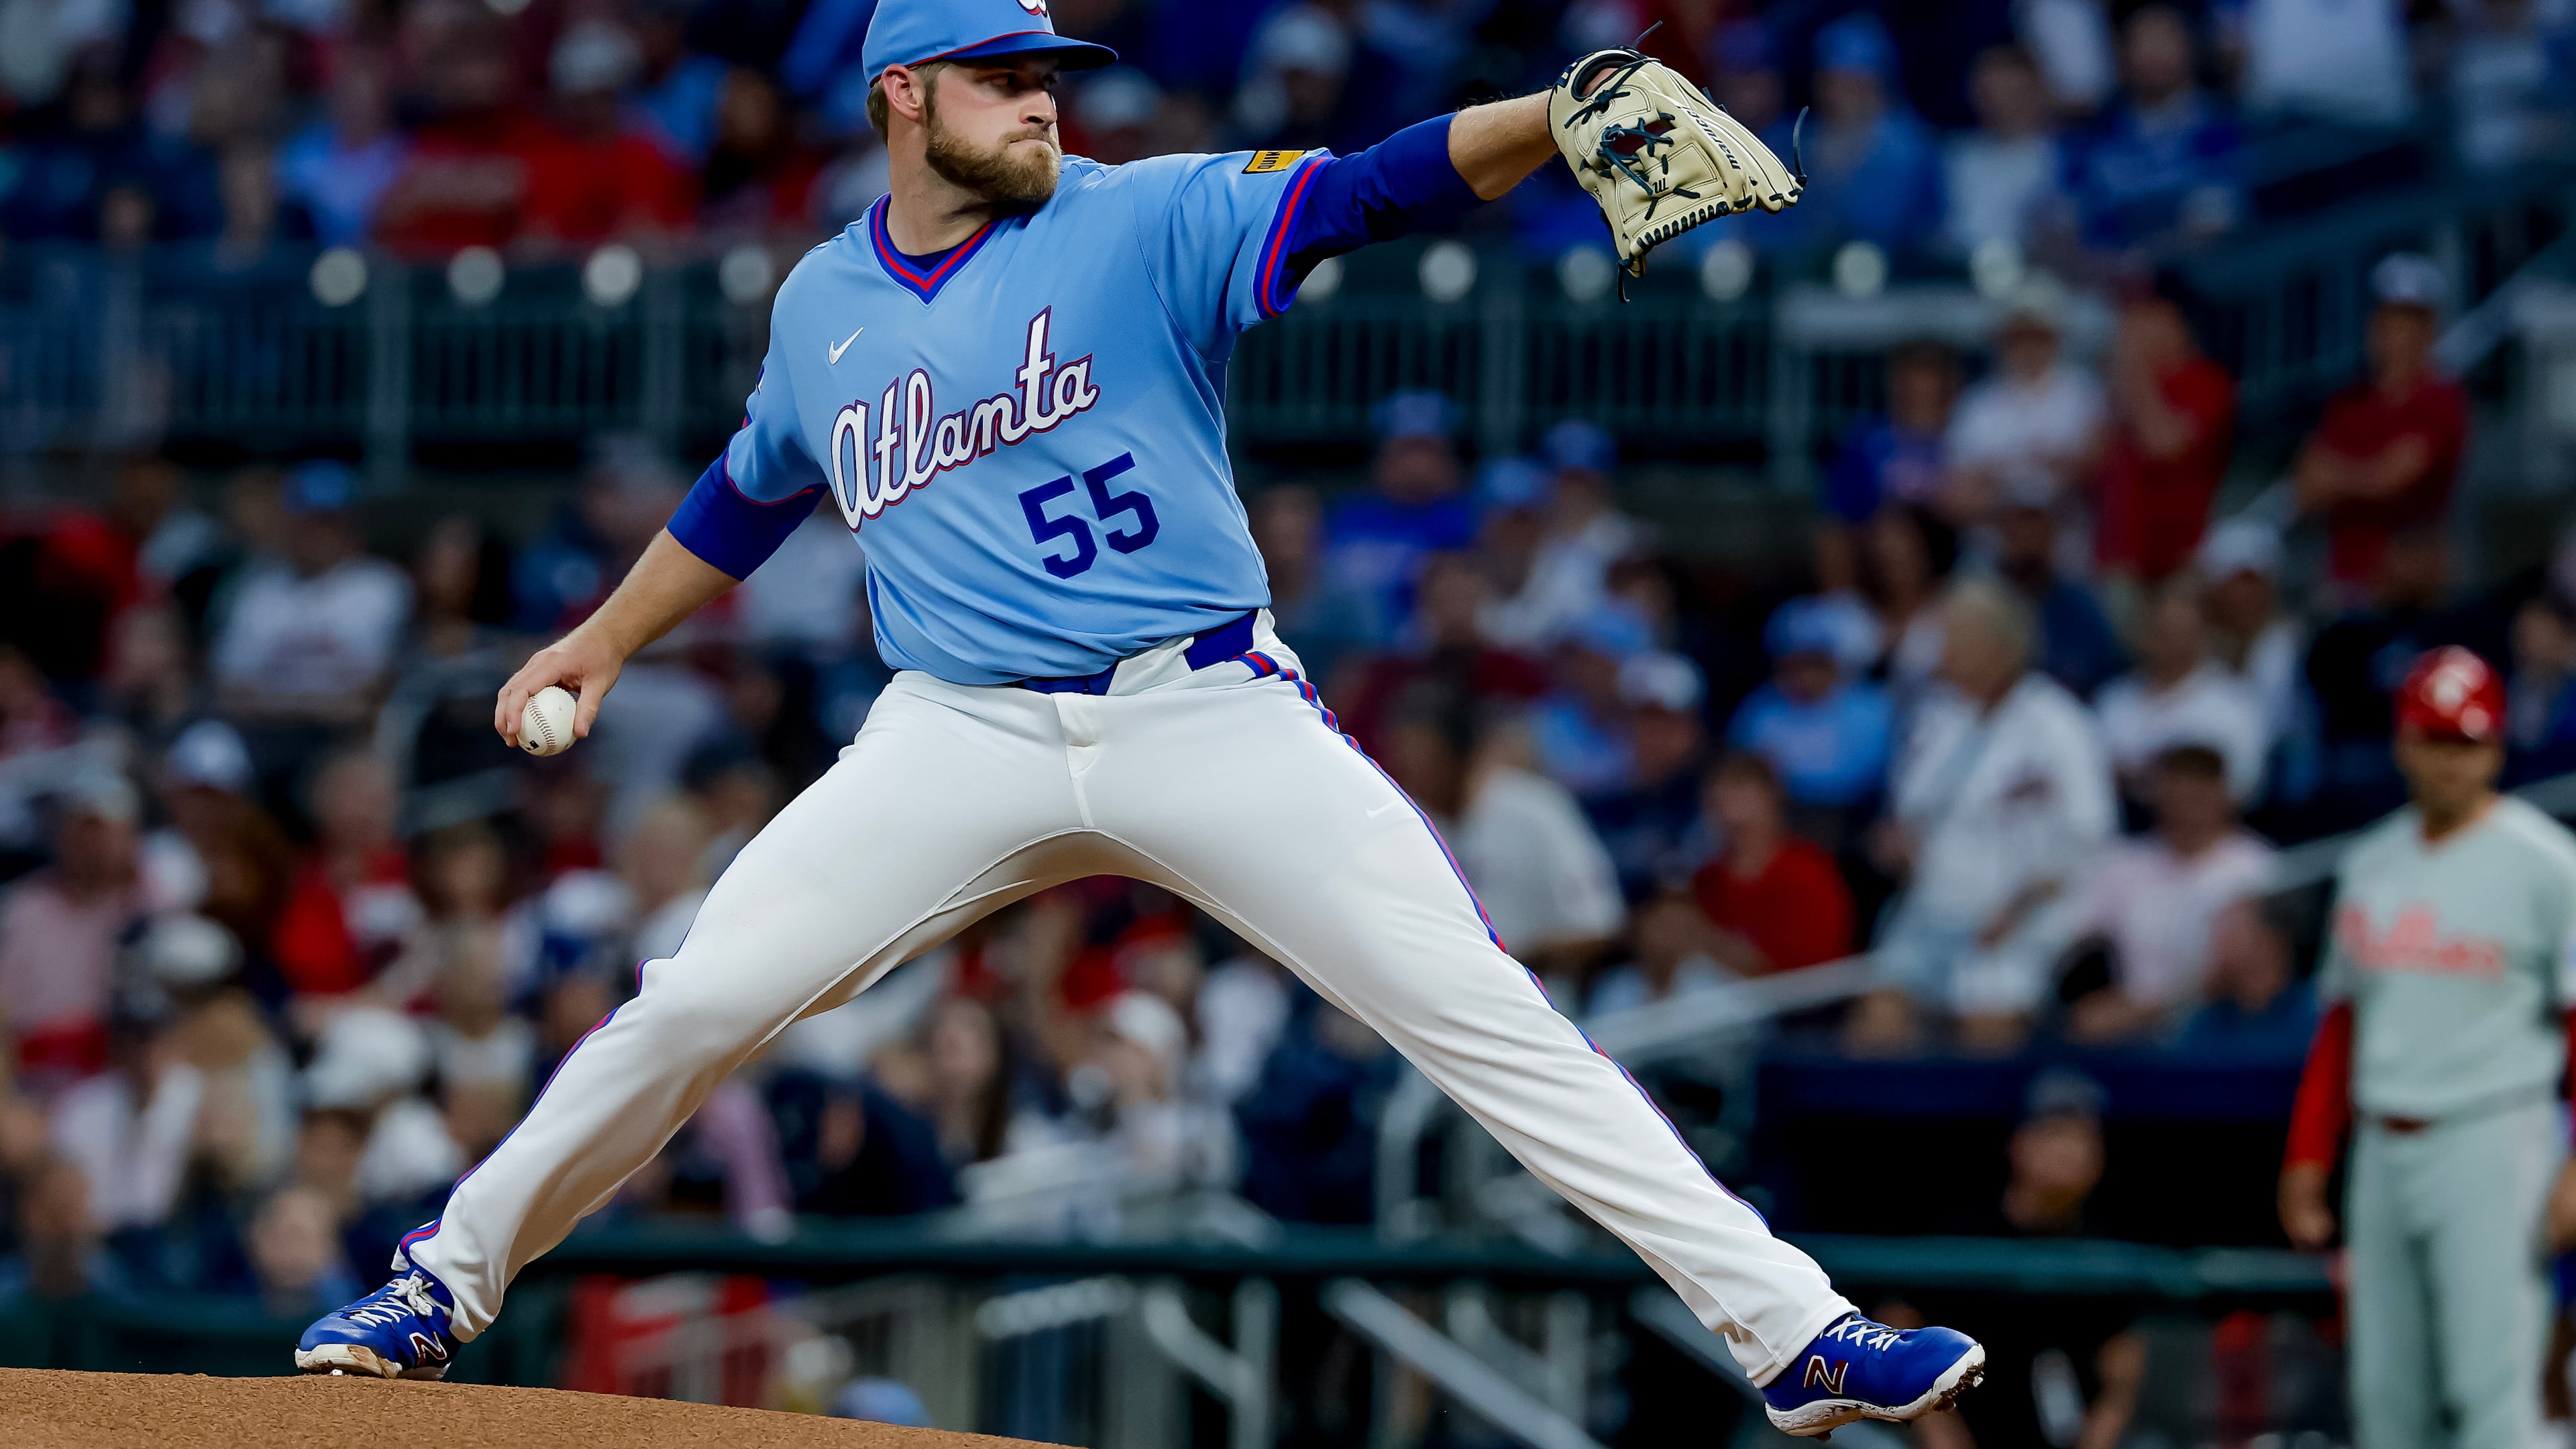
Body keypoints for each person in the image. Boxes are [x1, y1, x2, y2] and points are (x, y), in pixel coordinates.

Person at [295, 4, 1988, 1436]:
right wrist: (592, 643)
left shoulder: (1138, 213)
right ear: (902, 98)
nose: (1044, 95)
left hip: (1201, 709)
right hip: (954, 732)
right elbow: (746, 497)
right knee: (697, 1001)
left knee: (1483, 1013)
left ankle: (1796, 1333)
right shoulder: (819, 305)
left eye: (1053, 72)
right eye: (1002, 74)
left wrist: (1549, 116)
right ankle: (440, 1284)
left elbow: (1368, 187)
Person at [2279, 647, 2576, 1449]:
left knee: (2493, 1394)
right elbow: (2343, 1025)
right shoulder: (2372, 862)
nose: (2452, 761)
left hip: (2493, 1134)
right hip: (2382, 1141)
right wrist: (2310, 1156)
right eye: (2436, 739)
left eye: (2468, 742)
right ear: (2404, 742)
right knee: (2386, 1396)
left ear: (2499, 747)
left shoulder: (2548, 863)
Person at [1860, 580, 2116, 1054]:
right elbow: (1910, 815)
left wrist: (2016, 910)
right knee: (1878, 1018)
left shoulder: (2059, 722)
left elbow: (2089, 835)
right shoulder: (1936, 721)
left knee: (1987, 1023)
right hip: (1932, 916)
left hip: (2018, 920)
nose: (1947, 650)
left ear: (2001, 645)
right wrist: (1897, 844)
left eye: (1958, 637)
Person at [1919, 1071, 2147, 1449]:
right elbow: (1903, 1343)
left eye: (2085, 1137)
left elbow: (2121, 1376)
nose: (2072, 1150)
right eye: (2057, 1133)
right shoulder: (1965, 1240)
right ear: (2020, 1145)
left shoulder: (2103, 1253)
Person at [2062, 745, 2276, 1042]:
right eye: (2177, 794)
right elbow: (2070, 936)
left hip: (2219, 1022)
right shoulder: (2122, 864)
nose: (2187, 807)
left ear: (2224, 795)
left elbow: (2244, 974)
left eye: (2198, 795)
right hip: (2131, 1029)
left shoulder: (2256, 866)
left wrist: (2143, 1011)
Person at [2293, 254, 2472, 604]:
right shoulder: (2347, 404)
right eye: (2387, 319)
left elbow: (2394, 477)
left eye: (2407, 321)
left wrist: (2340, 477)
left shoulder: (2442, 400)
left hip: (2409, 591)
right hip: (2344, 581)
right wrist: (2360, 478)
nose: (2394, 332)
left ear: (2428, 329)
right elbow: (2305, 488)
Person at [2096, 282, 2234, 587]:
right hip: (2121, 558)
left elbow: (2161, 446)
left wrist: (2134, 370)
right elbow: (2093, 458)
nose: (2135, 333)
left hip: (2181, 559)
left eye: (2147, 318)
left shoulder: (2206, 380)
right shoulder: (2119, 390)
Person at [2091, 581, 2269, 803]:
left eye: (2177, 631)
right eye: (2156, 630)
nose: (2165, 642)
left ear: (2202, 635)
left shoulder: (2234, 703)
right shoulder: (2112, 699)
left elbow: (2244, 787)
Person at [1689, 753, 1855, 975]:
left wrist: (1711, 943)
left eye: (1740, 796)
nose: (1731, 813)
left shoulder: (1807, 872)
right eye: (1719, 801)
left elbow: (1818, 964)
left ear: (1771, 800)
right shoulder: (1706, 881)